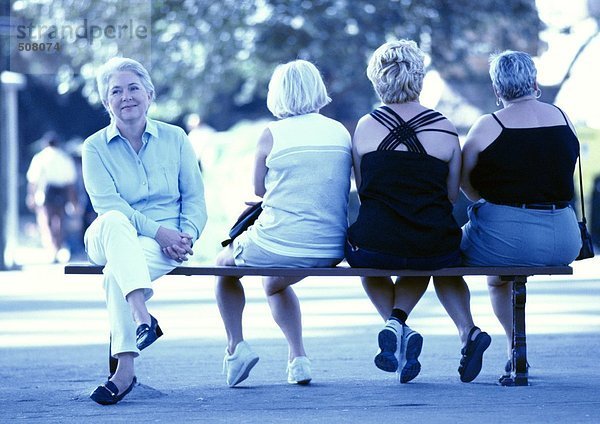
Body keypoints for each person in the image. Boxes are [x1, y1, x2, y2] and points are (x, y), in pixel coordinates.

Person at [346, 40, 490, 384]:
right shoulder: (444, 128)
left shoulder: (365, 127)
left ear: (378, 79)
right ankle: (461, 330)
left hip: (376, 241)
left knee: (370, 264)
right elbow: (453, 194)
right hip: (433, 240)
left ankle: (397, 325)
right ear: (419, 78)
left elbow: (364, 188)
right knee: (430, 259)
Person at [215, 59, 352, 387]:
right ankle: (298, 358)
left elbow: (259, 189)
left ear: (278, 94)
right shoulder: (340, 132)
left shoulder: (271, 134)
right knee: (274, 284)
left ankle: (236, 348)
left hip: (279, 243)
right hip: (330, 247)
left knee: (223, 267)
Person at [81, 57, 207, 404]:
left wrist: (186, 235)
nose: (126, 97)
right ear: (107, 102)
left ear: (149, 94)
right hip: (107, 237)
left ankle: (124, 372)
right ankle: (141, 314)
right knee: (114, 221)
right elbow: (109, 205)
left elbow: (195, 198)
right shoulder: (93, 147)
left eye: (133, 88)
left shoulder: (176, 138)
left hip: (162, 245)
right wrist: (159, 232)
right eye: (116, 91)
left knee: (114, 278)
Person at [460, 50, 581, 382]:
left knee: (489, 274)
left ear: (498, 90)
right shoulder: (562, 116)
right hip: (565, 236)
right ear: (535, 83)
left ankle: (513, 347)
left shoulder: (489, 125)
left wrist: (490, 201)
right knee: (505, 265)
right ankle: (517, 352)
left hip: (509, 237)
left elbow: (465, 182)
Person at [26, 131, 78, 263]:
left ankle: (52, 248)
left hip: (46, 192)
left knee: (46, 221)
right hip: (61, 191)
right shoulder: (64, 158)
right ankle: (58, 247)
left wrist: (31, 196)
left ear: (45, 143)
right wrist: (73, 201)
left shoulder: (40, 158)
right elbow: (71, 182)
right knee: (60, 221)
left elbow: (33, 180)